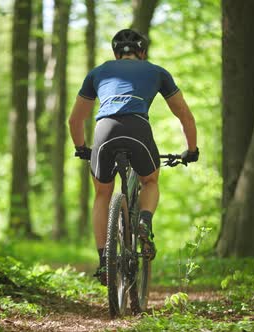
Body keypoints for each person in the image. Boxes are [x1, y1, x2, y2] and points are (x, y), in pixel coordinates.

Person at [68, 29, 198, 285]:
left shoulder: (98, 72)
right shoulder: (156, 71)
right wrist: (191, 150)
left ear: (116, 54)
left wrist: (83, 148)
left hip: (104, 131)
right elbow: (184, 114)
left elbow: (75, 119)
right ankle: (144, 222)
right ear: (142, 52)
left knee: (102, 194)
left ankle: (105, 261)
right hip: (138, 129)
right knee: (150, 180)